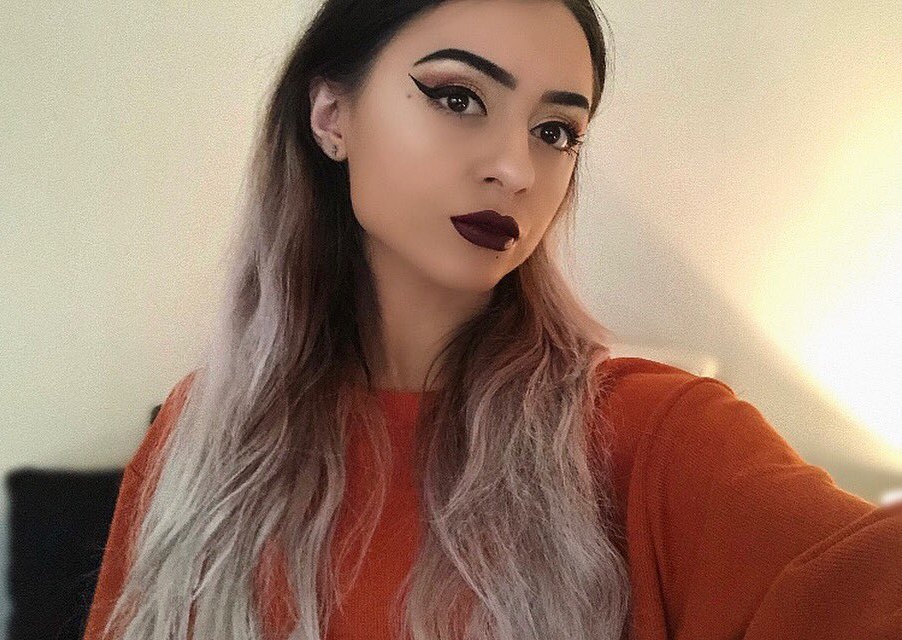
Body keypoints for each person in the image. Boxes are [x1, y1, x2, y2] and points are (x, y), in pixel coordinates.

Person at [83, 1, 902, 639]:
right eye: (457, 97)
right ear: (331, 116)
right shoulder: (197, 433)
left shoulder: (657, 436)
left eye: (555, 131)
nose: (515, 169)